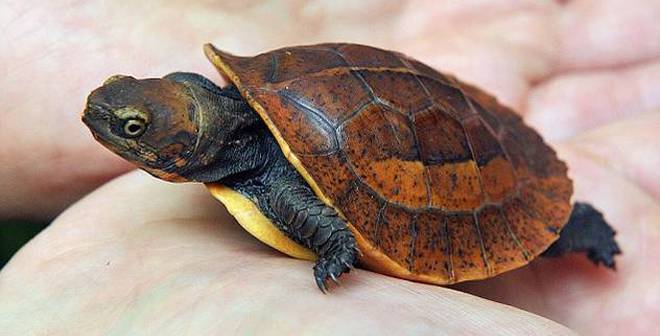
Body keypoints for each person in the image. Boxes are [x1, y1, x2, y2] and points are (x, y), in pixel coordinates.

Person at [1, 1, 659, 334]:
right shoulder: (241, 123)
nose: (113, 124)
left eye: (134, 128)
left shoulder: (272, 180)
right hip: (361, 96)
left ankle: (565, 225)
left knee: (556, 229)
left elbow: (335, 231)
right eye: (130, 125)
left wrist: (330, 248)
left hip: (445, 143)